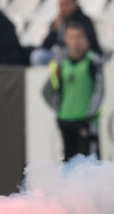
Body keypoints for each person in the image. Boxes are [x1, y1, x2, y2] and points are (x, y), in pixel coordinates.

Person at [42, 21, 105, 161]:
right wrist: (58, 109)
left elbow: (100, 90)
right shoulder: (61, 63)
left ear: (85, 39)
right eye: (72, 37)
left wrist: (90, 114)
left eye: (79, 36)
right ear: (66, 39)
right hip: (65, 119)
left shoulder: (92, 61)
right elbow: (47, 90)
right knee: (68, 162)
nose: (75, 41)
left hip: (85, 120)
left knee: (90, 162)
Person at [31, 0, 102, 66]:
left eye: (66, 4)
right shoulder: (58, 22)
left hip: (81, 53)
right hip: (61, 53)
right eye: (61, 5)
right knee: (38, 55)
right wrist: (54, 30)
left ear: (74, 4)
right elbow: (46, 46)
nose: (63, 8)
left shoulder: (84, 20)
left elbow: (88, 43)